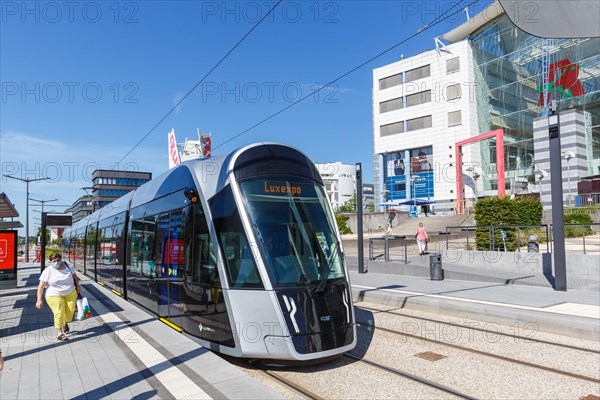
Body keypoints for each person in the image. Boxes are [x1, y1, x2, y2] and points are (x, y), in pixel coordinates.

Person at [36, 253, 81, 341]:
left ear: (61, 260)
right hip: (54, 294)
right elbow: (41, 286)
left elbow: (75, 277)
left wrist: (78, 286)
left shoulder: (68, 265)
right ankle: (59, 333)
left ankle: (65, 323)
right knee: (58, 312)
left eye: (58, 261)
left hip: (70, 292)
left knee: (70, 312)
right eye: (54, 261)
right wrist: (39, 299)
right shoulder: (47, 271)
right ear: (50, 262)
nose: (56, 263)